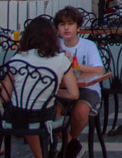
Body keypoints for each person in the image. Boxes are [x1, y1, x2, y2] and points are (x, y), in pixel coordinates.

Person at [4, 17, 79, 158]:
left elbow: (6, 95)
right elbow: (74, 94)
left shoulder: (16, 59)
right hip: (43, 118)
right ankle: (69, 145)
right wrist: (53, 91)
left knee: (24, 109)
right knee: (52, 107)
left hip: (16, 118)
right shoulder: (61, 59)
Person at [55, 7, 104, 158]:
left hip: (88, 89)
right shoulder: (55, 46)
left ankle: (70, 144)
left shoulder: (88, 46)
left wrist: (75, 64)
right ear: (57, 28)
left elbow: (99, 71)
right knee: (50, 111)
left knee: (81, 110)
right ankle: (71, 145)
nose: (66, 28)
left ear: (78, 27)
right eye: (62, 25)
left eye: (70, 24)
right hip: (62, 90)